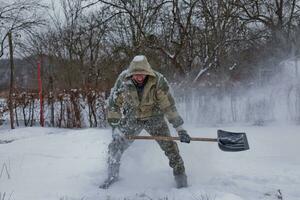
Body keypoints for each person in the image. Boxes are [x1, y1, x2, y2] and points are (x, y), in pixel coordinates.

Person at [100, 55, 191, 189]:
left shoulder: (158, 81)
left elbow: (168, 106)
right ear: (131, 74)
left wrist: (180, 129)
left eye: (142, 74)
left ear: (147, 72)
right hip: (132, 118)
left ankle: (181, 178)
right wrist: (115, 128)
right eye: (136, 75)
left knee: (171, 148)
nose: (139, 77)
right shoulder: (123, 80)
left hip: (155, 118)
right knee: (116, 146)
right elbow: (114, 105)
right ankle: (112, 176)